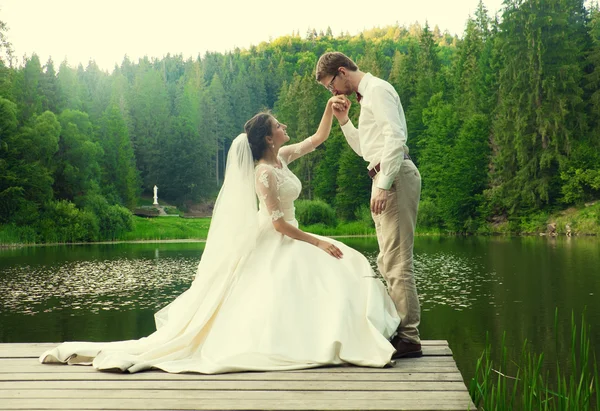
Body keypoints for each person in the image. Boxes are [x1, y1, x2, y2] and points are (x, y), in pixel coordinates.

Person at [39, 97, 400, 374]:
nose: (284, 125)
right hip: (278, 236)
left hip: (290, 234)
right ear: (268, 138)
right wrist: (318, 240)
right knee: (325, 265)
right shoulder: (263, 174)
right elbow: (277, 224)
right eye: (278, 124)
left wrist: (330, 109)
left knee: (342, 267)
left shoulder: (282, 158)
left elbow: (319, 138)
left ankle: (342, 331)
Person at [316, 52, 423, 358]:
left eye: (331, 86)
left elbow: (395, 137)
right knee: (387, 260)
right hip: (383, 176)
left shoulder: (378, 90)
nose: (333, 92)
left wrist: (385, 183)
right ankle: (400, 331)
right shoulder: (366, 98)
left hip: (394, 177)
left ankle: (410, 338)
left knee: (397, 260)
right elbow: (367, 149)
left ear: (341, 72)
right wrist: (344, 121)